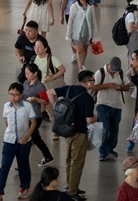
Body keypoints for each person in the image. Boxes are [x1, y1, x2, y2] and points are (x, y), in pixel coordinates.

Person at [48, 70, 96, 199]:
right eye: (93, 80)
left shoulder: (69, 89)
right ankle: (72, 192)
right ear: (87, 82)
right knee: (77, 163)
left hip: (67, 131)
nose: (94, 82)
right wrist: (97, 117)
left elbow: (49, 92)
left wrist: (56, 108)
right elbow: (89, 120)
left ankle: (70, 186)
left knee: (69, 161)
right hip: (79, 134)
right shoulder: (87, 99)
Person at [0, 82, 36, 201]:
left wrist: (27, 135)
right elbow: (6, 121)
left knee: (23, 165)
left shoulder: (27, 106)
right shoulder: (6, 106)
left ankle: (24, 188)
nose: (13, 97)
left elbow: (33, 122)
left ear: (21, 95)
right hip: (9, 141)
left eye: (16, 94)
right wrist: (10, 132)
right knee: (4, 166)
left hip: (24, 142)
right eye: (10, 94)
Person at [90, 56, 129, 162]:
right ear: (109, 65)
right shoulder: (100, 73)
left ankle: (110, 148)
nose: (115, 71)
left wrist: (120, 87)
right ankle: (102, 152)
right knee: (105, 128)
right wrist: (109, 85)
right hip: (103, 105)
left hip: (117, 106)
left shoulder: (120, 73)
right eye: (113, 69)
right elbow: (94, 87)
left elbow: (127, 87)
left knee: (114, 129)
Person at [21, 64, 53, 166]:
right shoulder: (26, 83)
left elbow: (46, 101)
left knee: (30, 137)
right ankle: (47, 156)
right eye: (25, 73)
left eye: (28, 74)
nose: (26, 76)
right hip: (26, 114)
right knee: (35, 137)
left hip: (35, 116)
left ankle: (23, 162)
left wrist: (36, 99)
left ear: (35, 73)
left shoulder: (40, 87)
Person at [65, 0, 97, 70]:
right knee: (79, 50)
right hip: (77, 33)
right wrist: (68, 35)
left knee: (85, 50)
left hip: (87, 32)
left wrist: (95, 35)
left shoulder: (90, 6)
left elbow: (93, 21)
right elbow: (70, 21)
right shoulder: (74, 6)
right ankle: (81, 69)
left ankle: (82, 64)